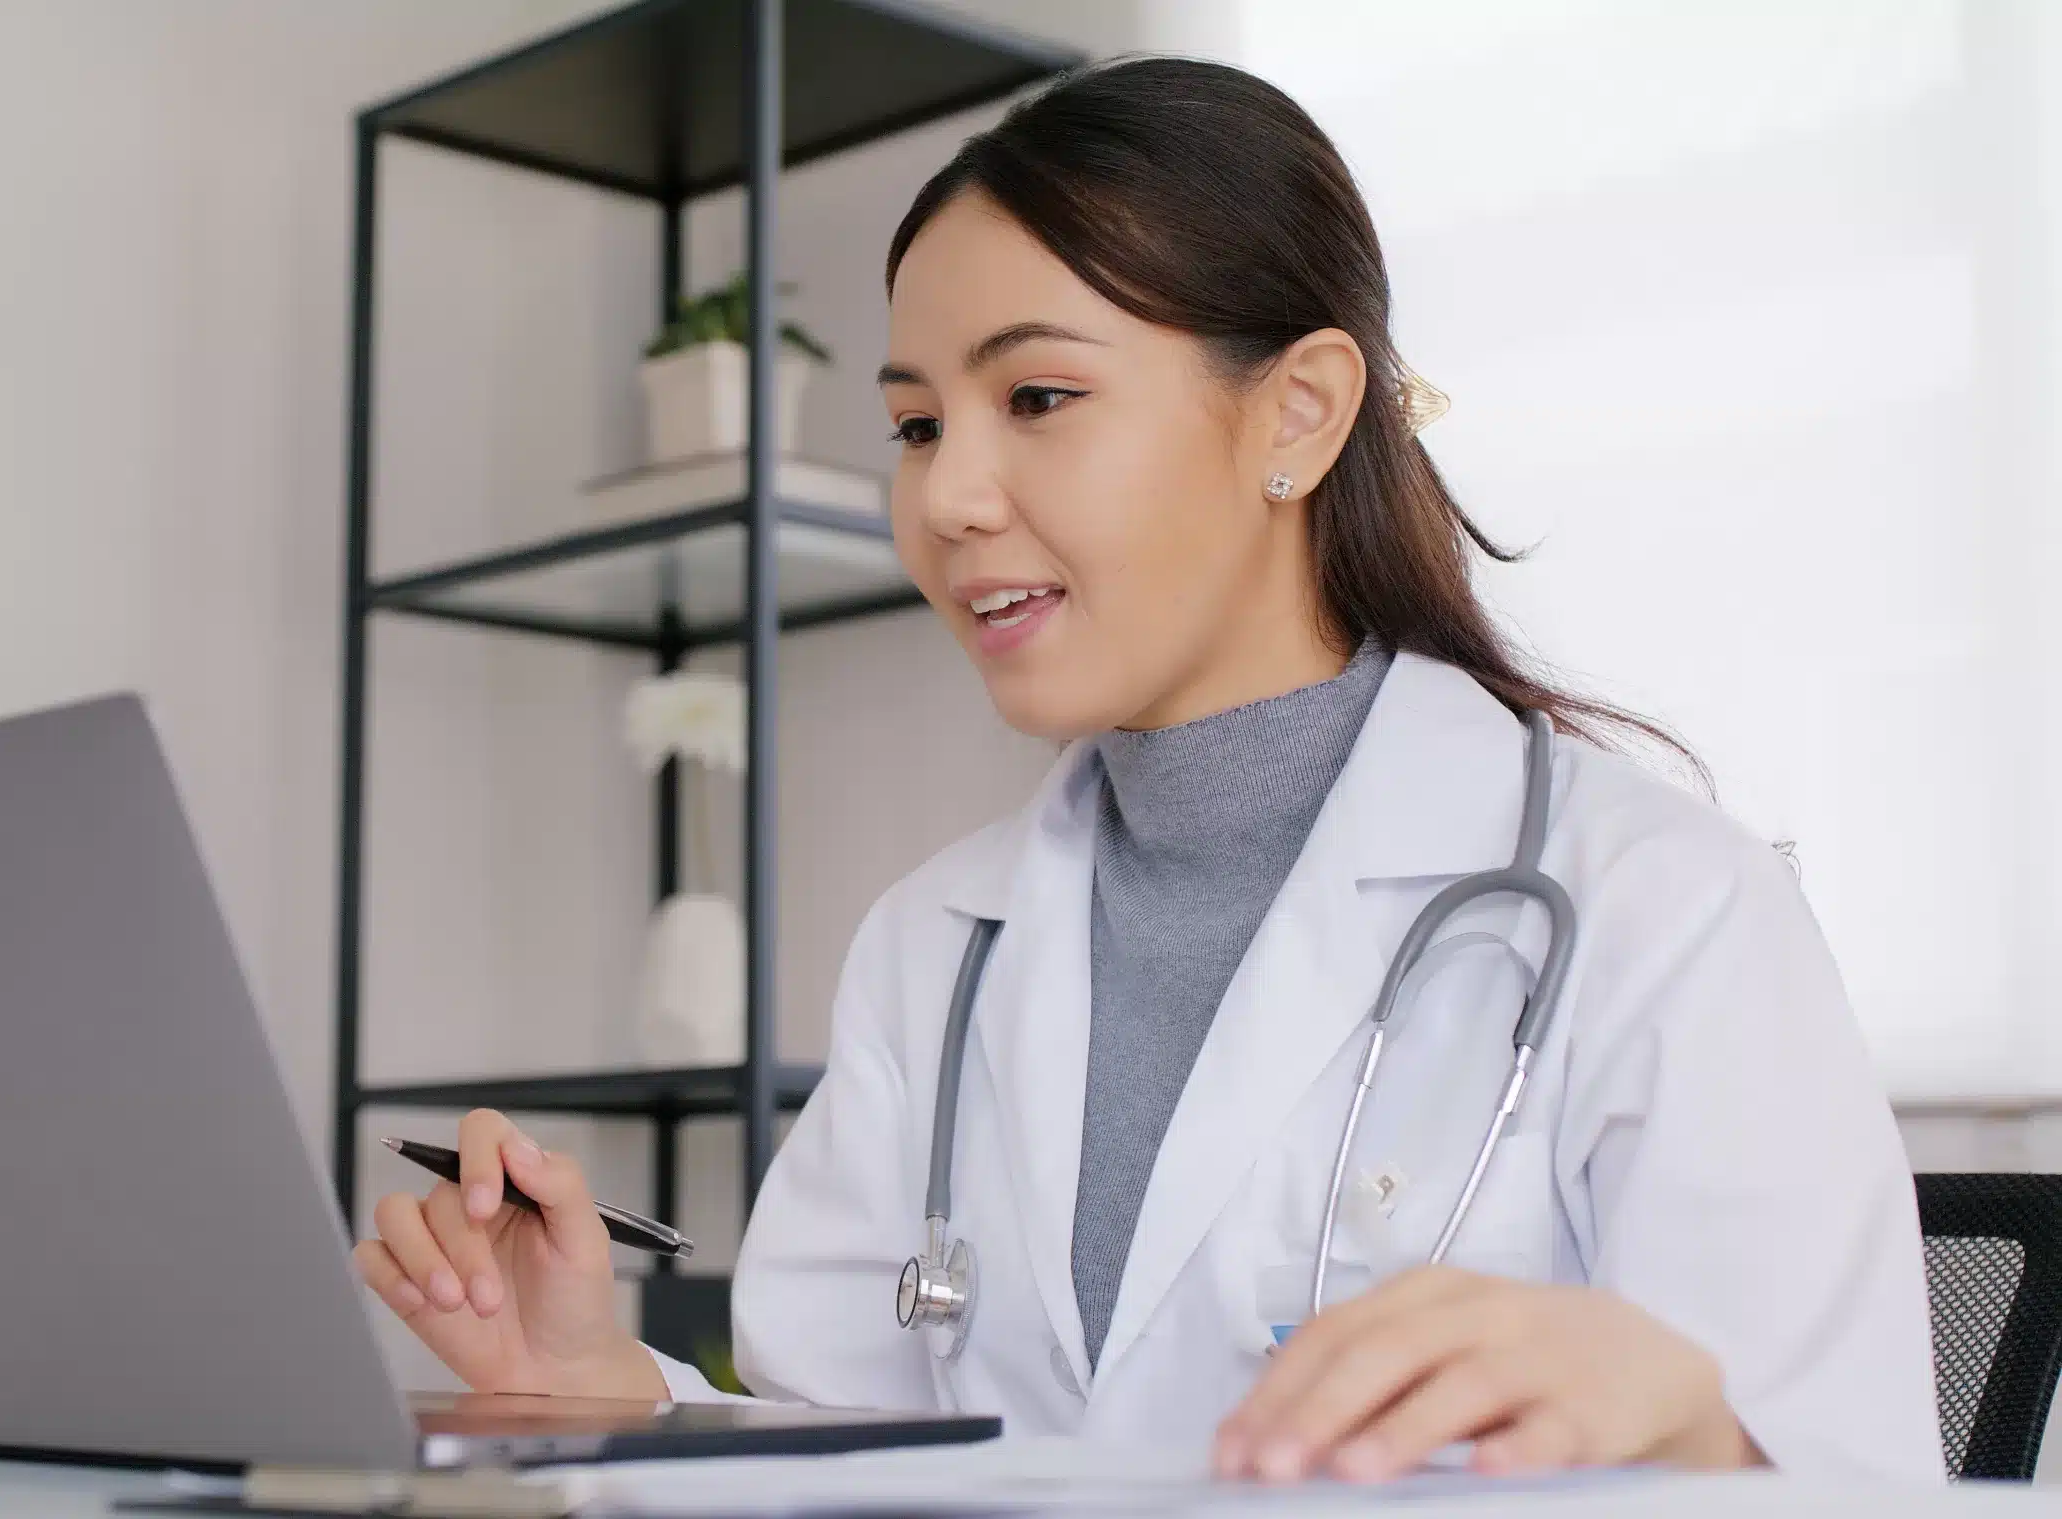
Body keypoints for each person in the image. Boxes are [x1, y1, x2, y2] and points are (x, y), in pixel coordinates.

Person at [353, 57, 1940, 1484]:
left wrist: (1689, 1424)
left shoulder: (1663, 913)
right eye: (915, 426)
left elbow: (1861, 1476)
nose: (950, 497)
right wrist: (599, 1381)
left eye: (1036, 397)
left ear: (1300, 414)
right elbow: (862, 1456)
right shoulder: (936, 949)